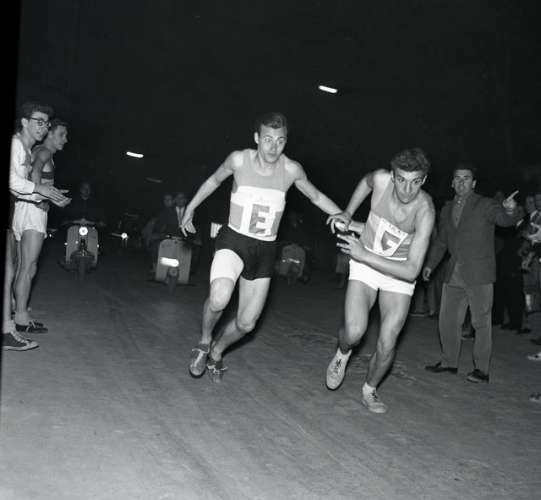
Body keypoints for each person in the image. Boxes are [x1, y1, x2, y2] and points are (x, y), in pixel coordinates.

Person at [181, 112, 342, 382]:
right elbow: (213, 181)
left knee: (246, 324)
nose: (273, 147)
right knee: (219, 297)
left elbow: (316, 196)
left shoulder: (291, 170)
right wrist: (191, 208)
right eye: (268, 139)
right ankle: (205, 341)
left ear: (286, 141)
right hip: (234, 240)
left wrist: (342, 215)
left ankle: (218, 351)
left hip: (265, 250)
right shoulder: (238, 160)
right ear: (257, 138)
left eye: (280, 141)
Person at [325, 148, 435, 414]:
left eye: (415, 182)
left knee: (387, 343)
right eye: (402, 180)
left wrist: (363, 253)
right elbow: (366, 182)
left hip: (398, 273)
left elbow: (411, 271)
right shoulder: (381, 179)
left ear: (424, 180)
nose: (407, 189)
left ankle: (369, 389)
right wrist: (348, 213)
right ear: (393, 176)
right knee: (354, 332)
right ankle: (342, 354)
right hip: (366, 266)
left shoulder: (426, 210)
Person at [424, 163, 521, 383]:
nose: (461, 182)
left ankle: (482, 370)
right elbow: (441, 241)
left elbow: (505, 220)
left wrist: (510, 209)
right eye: (457, 178)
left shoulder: (485, 204)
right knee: (447, 321)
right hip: (453, 273)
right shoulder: (447, 208)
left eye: (466, 178)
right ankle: (449, 362)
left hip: (479, 274)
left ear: (474, 183)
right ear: (452, 183)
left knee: (481, 323)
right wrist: (431, 265)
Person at [3, 102, 70, 351]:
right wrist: (41, 195)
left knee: (19, 266)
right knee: (27, 267)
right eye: (61, 134)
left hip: (25, 208)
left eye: (47, 124)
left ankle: (16, 314)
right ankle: (19, 316)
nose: (65, 140)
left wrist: (49, 193)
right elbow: (32, 175)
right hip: (31, 212)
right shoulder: (41, 151)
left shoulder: (32, 149)